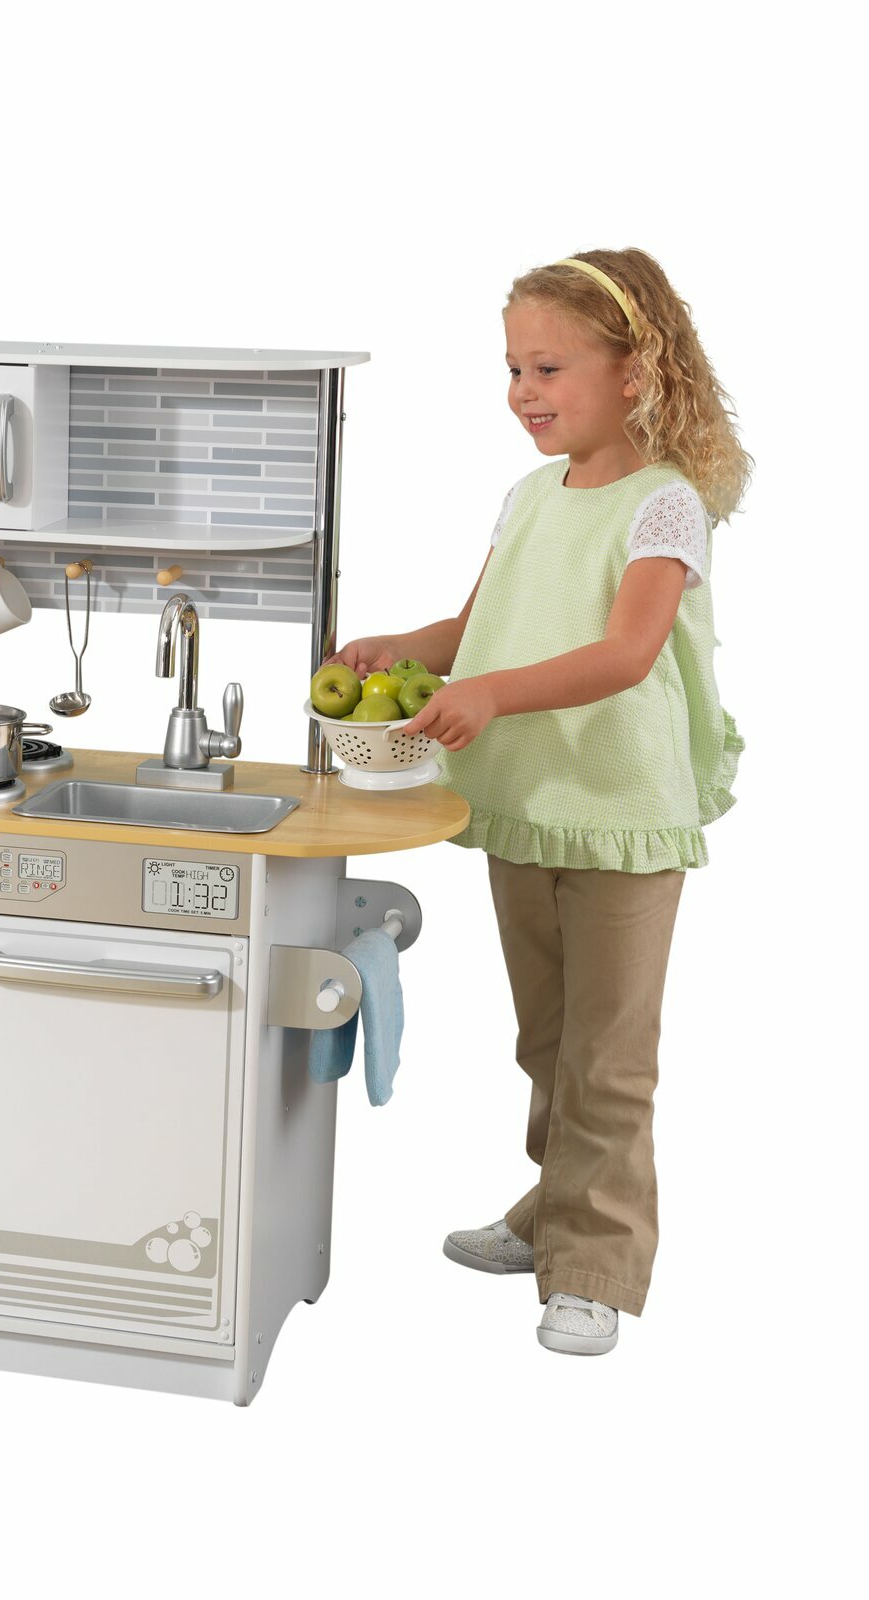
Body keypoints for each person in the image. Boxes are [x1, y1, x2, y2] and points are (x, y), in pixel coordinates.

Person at [332, 249, 748, 1354]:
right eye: (513, 368)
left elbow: (624, 653)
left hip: (620, 812)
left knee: (608, 1056)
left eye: (548, 368)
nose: (523, 391)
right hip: (526, 800)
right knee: (551, 1040)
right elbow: (475, 632)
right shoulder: (526, 498)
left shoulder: (665, 505)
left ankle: (595, 1264)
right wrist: (396, 645)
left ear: (633, 372)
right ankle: (551, 1212)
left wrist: (490, 693)